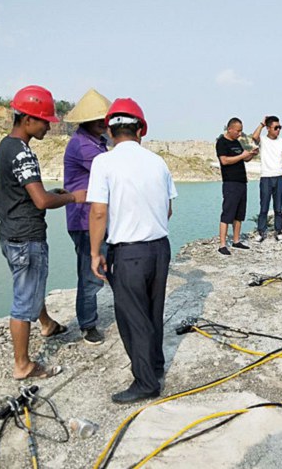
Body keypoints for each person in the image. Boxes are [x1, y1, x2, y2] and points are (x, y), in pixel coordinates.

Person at [0, 85, 87, 380]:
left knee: (31, 284)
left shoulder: (6, 146)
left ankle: (46, 324)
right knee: (23, 299)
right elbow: (41, 201)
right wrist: (73, 197)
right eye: (45, 120)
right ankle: (22, 365)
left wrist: (49, 192)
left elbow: (27, 193)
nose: (48, 126)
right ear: (28, 120)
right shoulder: (22, 153)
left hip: (10, 232)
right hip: (26, 237)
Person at [88, 98, 177, 404]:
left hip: (127, 253)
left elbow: (99, 212)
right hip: (159, 249)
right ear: (141, 130)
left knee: (132, 317)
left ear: (111, 132)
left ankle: (146, 382)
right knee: (153, 310)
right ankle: (155, 365)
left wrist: (95, 252)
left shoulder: (104, 162)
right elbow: (167, 209)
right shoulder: (158, 162)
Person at [63, 89, 112, 345]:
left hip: (97, 217)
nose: (105, 124)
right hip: (85, 220)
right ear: (88, 121)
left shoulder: (97, 141)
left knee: (106, 265)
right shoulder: (83, 145)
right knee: (89, 273)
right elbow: (112, 171)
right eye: (101, 120)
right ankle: (88, 324)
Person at [216, 117, 258, 255]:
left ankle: (236, 240)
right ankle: (222, 244)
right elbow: (224, 160)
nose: (240, 134)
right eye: (238, 131)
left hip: (242, 182)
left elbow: (244, 158)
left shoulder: (237, 143)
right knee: (227, 213)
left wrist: (251, 154)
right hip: (230, 182)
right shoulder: (222, 142)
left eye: (241, 131)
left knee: (239, 214)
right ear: (230, 129)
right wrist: (242, 156)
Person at [252, 115, 282, 242]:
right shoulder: (263, 140)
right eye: (276, 127)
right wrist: (261, 123)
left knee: (278, 207)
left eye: (280, 127)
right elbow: (254, 137)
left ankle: (279, 231)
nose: (278, 130)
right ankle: (261, 232)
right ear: (269, 128)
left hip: (279, 177)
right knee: (264, 207)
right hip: (265, 177)